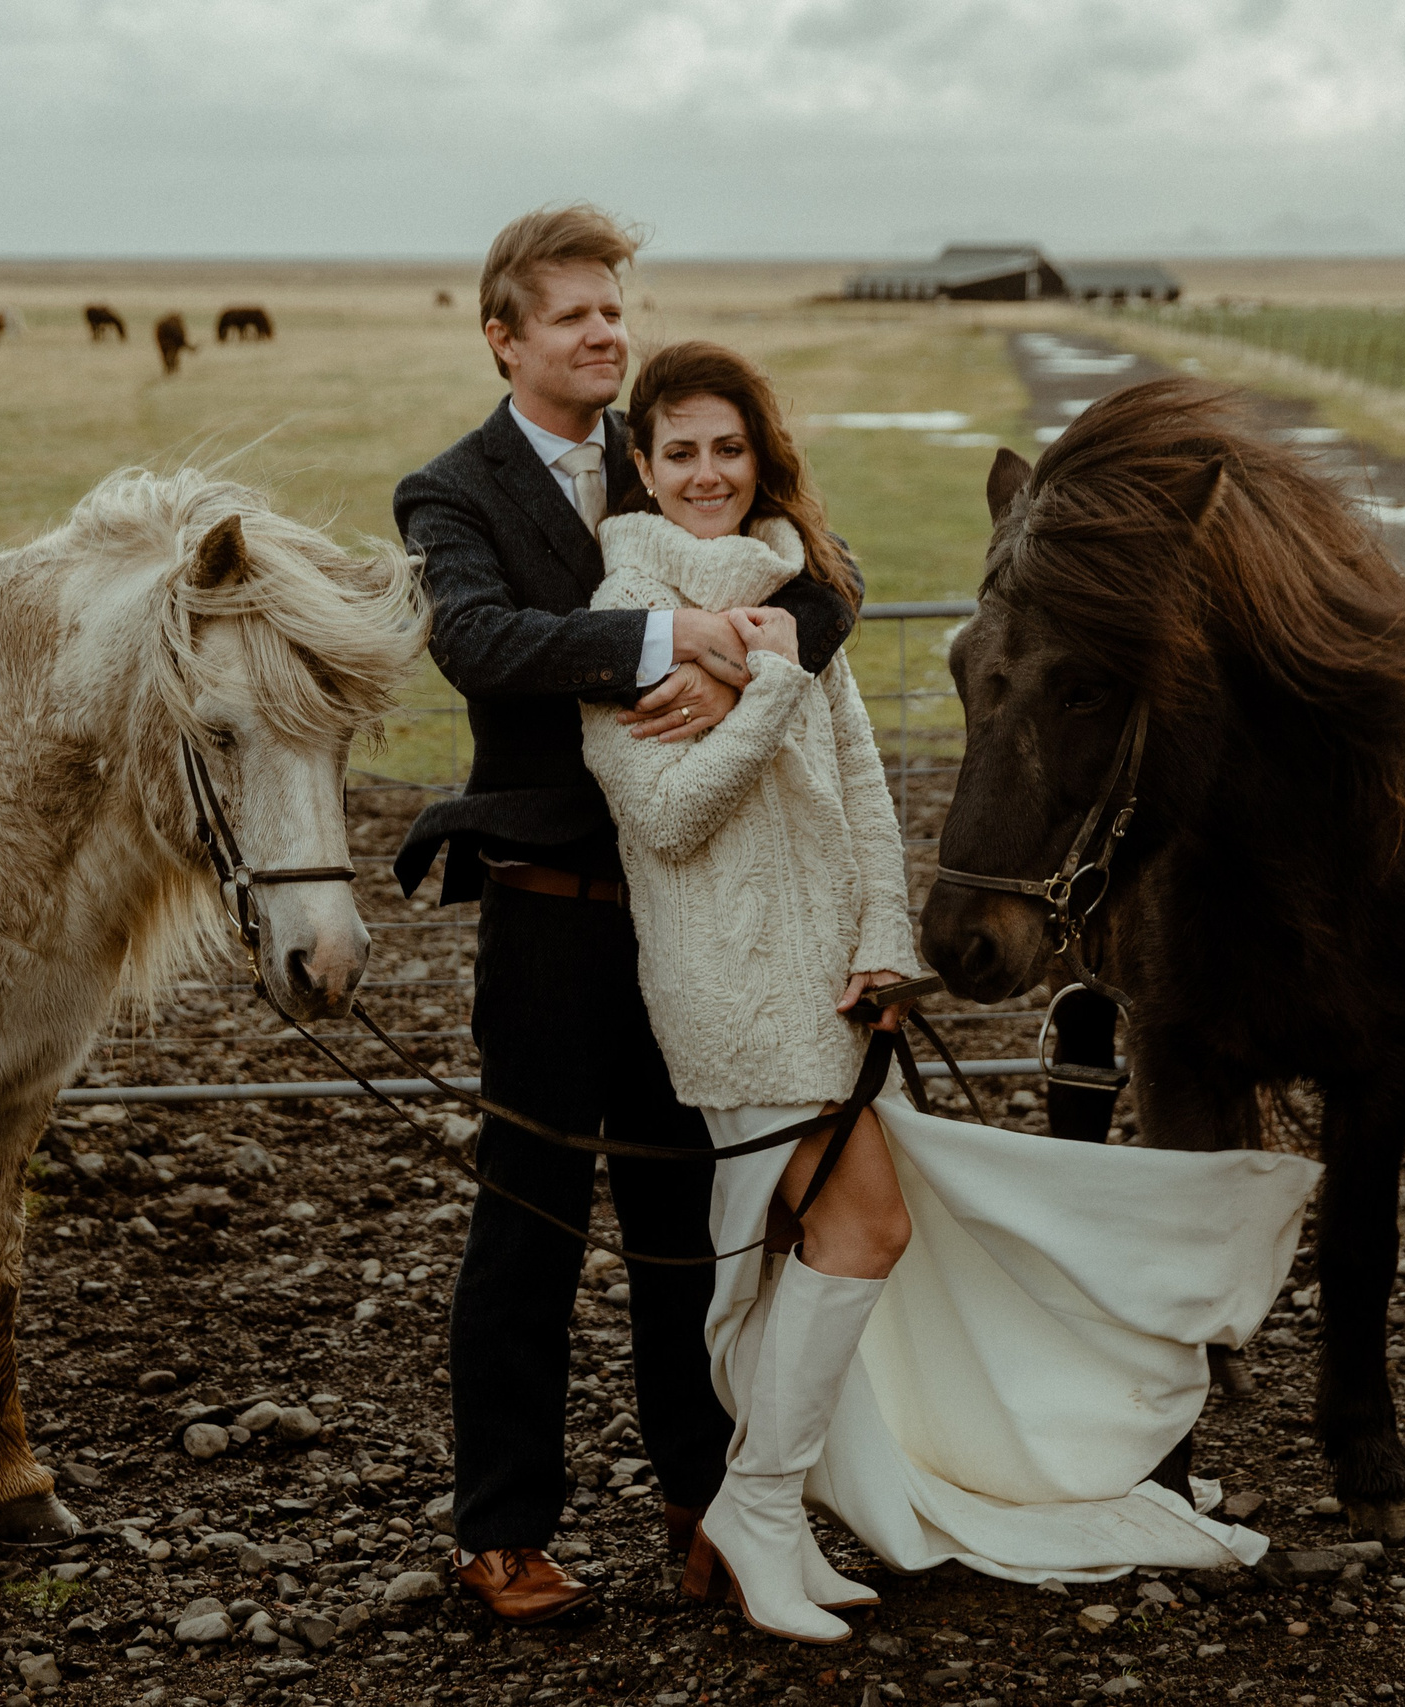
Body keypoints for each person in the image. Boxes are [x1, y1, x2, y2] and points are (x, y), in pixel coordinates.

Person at [577, 340, 1324, 1644]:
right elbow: (670, 817)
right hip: (725, 979)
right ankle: (754, 1512)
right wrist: (769, 680)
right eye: (679, 451)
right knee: (837, 1240)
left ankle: (767, 1517)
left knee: (842, 1242)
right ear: (641, 464)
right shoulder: (625, 613)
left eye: (728, 448)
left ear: (761, 459)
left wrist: (885, 947)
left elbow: (865, 792)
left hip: (826, 983)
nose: (707, 473)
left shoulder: (798, 591)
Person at [389, 207, 862, 1625]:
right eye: (574, 314)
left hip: (695, 915)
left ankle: (708, 1504)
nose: (606, 332)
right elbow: (478, 641)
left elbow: (829, 584)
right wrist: (675, 638)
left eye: (615, 308)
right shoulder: (451, 491)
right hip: (551, 918)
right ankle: (502, 1533)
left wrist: (742, 665)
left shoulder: (670, 451)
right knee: (526, 1227)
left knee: (689, 1222)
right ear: (503, 338)